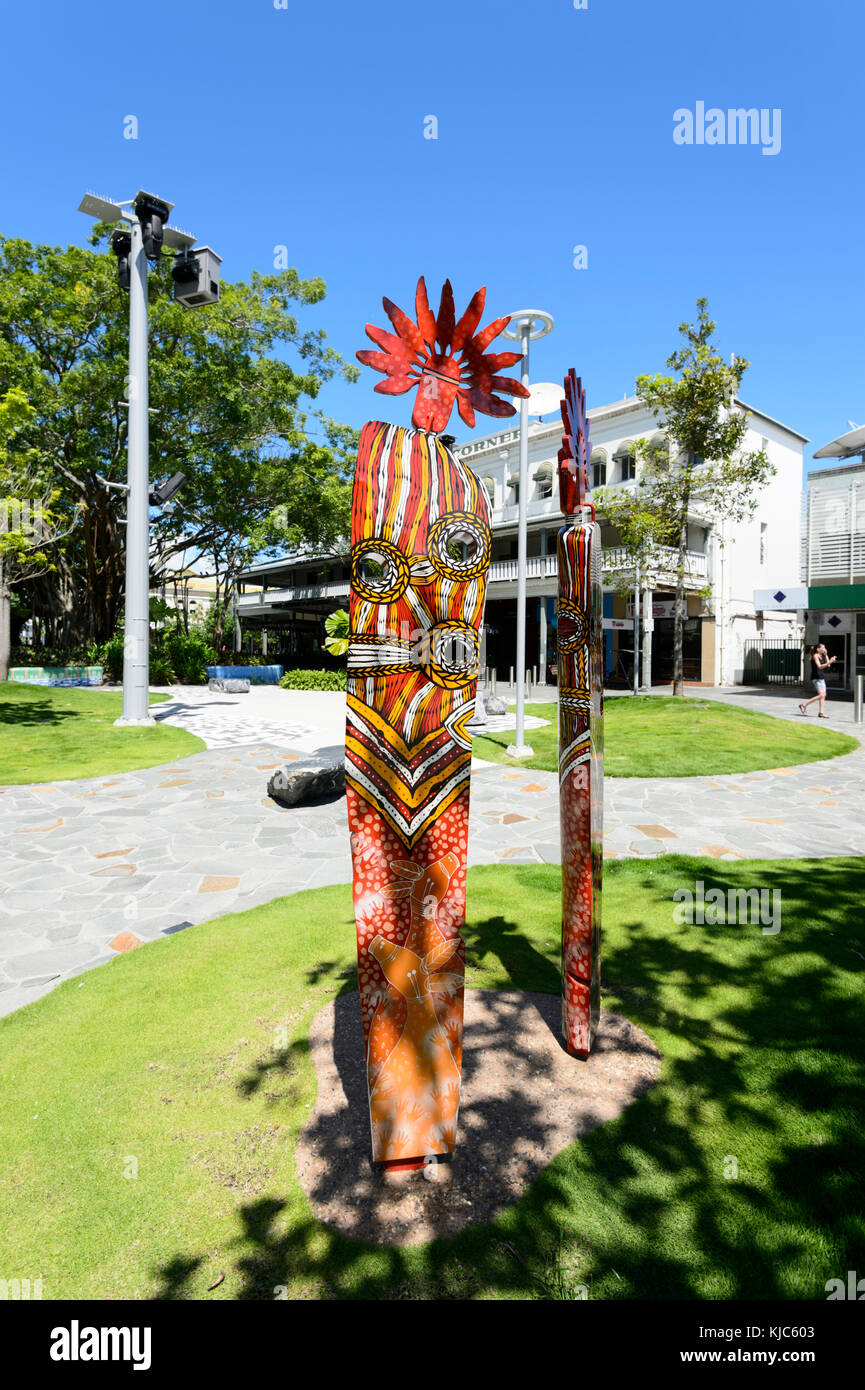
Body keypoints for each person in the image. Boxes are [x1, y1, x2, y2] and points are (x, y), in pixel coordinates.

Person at [799, 643, 836, 717]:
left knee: (823, 695)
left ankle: (821, 713)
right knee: (821, 695)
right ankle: (804, 705)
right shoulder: (815, 656)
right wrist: (830, 661)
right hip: (816, 678)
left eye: (825, 647)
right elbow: (819, 666)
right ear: (818, 649)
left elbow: (828, 665)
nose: (824, 649)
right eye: (823, 647)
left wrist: (826, 655)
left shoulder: (823, 655)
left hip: (821, 677)